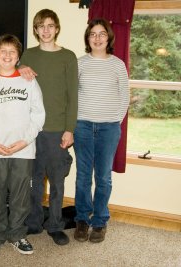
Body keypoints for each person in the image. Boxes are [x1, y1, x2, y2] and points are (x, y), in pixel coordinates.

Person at [0, 34, 45, 255]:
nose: (7, 55)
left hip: (24, 149)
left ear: (18, 56)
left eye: (12, 52)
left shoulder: (29, 80)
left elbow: (38, 115)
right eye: (3, 51)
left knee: (21, 197)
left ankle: (17, 234)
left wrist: (25, 140)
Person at [18, 9, 78, 246]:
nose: (46, 30)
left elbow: (73, 96)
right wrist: (19, 68)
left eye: (50, 26)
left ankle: (54, 224)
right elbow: (13, 80)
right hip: (31, 129)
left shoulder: (68, 57)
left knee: (56, 180)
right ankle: (33, 222)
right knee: (33, 179)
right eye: (41, 26)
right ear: (35, 29)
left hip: (57, 129)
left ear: (57, 29)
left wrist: (69, 129)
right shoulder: (27, 55)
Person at [73, 18, 129, 243]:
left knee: (104, 177)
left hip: (109, 128)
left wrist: (115, 120)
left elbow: (124, 96)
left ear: (109, 38)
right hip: (83, 126)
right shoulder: (80, 63)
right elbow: (72, 93)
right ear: (88, 38)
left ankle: (99, 221)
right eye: (93, 34)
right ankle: (82, 220)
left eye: (101, 34)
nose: (97, 38)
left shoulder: (117, 64)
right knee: (83, 176)